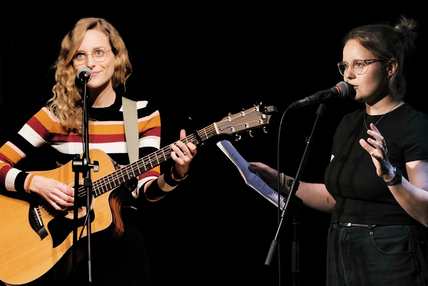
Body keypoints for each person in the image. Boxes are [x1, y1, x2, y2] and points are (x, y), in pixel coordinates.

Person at [0, 17, 196, 285]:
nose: (90, 63)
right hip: (62, 245)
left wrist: (176, 174)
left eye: (99, 52)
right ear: (71, 64)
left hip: (118, 243)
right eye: (80, 55)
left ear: (117, 57)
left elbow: (145, 190)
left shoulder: (140, 115)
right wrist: (36, 184)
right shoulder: (55, 117)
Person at [249, 16, 428, 285]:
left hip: (391, 252)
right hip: (341, 249)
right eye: (344, 65)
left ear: (390, 67)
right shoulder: (348, 123)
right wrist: (282, 181)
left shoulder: (414, 124)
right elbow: (334, 198)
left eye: (359, 64)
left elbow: (426, 212)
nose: (348, 75)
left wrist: (391, 175)